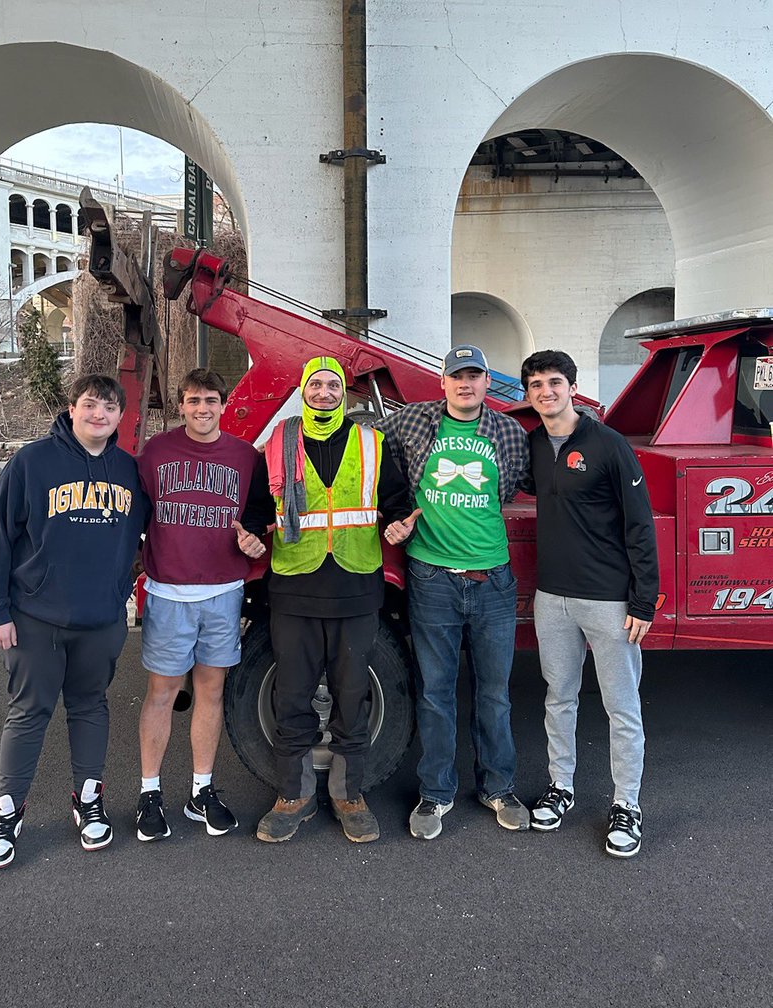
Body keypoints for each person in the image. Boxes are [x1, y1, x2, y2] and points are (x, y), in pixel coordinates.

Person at [0, 374, 149, 870]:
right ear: (72, 409)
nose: (100, 414)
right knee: (29, 713)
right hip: (35, 618)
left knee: (90, 707)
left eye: (110, 407)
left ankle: (88, 800)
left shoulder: (128, 471)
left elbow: (141, 540)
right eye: (91, 404)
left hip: (101, 619)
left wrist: (121, 595)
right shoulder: (31, 463)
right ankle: (8, 812)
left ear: (120, 416)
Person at [245, 357, 411, 844]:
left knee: (352, 695)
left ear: (344, 393)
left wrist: (402, 521)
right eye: (314, 385)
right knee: (293, 697)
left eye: (331, 385)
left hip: (357, 586)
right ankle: (292, 796)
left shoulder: (372, 442)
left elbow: (397, 501)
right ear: (302, 390)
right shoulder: (277, 444)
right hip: (295, 586)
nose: (322, 392)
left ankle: (349, 795)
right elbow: (256, 510)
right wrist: (251, 535)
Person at [377, 345, 530, 840]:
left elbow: (524, 481)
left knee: (495, 694)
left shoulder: (509, 431)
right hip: (432, 580)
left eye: (475, 376)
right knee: (436, 692)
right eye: (456, 376)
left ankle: (498, 788)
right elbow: (370, 458)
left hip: (492, 580)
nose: (465, 384)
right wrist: (392, 515)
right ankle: (436, 792)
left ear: (488, 382)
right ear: (441, 383)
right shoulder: (412, 421)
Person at [520, 350, 658, 858]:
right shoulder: (534, 444)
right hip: (551, 598)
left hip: (607, 599)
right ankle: (562, 788)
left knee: (621, 707)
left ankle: (627, 805)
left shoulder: (608, 444)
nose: (545, 392)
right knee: (559, 697)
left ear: (572, 387)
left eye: (554, 382)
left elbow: (640, 525)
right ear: (529, 394)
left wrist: (643, 602)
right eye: (535, 385)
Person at [135, 368, 270, 841]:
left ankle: (201, 791)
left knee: (211, 693)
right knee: (162, 693)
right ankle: (149, 793)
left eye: (211, 400)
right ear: (181, 406)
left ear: (224, 404)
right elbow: (135, 515)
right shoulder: (154, 454)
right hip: (170, 592)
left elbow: (259, 516)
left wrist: (254, 541)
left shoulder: (245, 458)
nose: (202, 409)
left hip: (223, 592)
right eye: (193, 401)